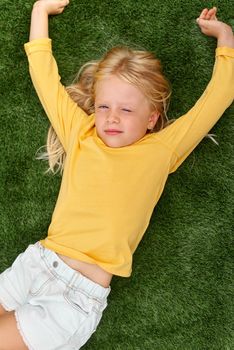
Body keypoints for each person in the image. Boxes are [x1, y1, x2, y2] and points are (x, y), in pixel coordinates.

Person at [0, 1, 233, 349]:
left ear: (152, 118)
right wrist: (39, 11)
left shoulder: (162, 150)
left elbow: (220, 96)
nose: (111, 118)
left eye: (126, 110)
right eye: (104, 106)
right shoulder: (81, 132)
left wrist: (225, 37)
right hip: (35, 265)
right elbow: (44, 78)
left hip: (74, 300)